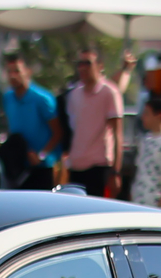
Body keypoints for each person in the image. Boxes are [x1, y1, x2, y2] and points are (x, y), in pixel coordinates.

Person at [52, 48, 126, 197]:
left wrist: (116, 172)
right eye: (80, 64)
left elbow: (117, 134)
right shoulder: (74, 94)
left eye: (88, 63)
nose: (83, 68)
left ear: (99, 66)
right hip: (76, 166)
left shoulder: (109, 92)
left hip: (99, 166)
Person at [0, 55, 59, 185]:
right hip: (17, 166)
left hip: (40, 168)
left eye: (17, 71)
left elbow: (58, 132)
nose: (13, 76)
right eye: (9, 72)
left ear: (27, 72)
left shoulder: (42, 99)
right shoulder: (8, 98)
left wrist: (41, 155)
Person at [128, 96, 161, 209]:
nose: (143, 117)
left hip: (155, 201)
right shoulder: (145, 139)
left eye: (147, 114)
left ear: (159, 115)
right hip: (139, 198)